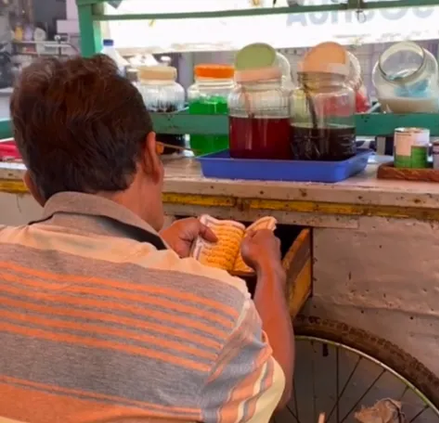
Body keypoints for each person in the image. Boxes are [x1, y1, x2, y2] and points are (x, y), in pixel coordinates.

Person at [0, 55, 294, 423]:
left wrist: (150, 248)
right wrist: (269, 271)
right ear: (150, 155)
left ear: (32, 186)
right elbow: (275, 390)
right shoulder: (216, 302)